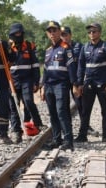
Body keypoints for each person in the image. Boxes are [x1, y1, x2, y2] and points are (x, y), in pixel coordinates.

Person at [74, 23, 106, 143]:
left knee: (105, 111)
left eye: (94, 31)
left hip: (102, 84)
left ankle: (105, 136)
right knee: (85, 110)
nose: (91, 34)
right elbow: (80, 67)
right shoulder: (85, 47)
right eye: (89, 32)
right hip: (89, 83)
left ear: (100, 33)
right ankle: (82, 135)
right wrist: (79, 83)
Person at [40, 21, 77, 151]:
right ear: (47, 34)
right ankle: (56, 139)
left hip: (61, 84)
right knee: (53, 113)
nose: (52, 33)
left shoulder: (66, 48)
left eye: (54, 30)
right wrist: (43, 87)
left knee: (62, 112)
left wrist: (75, 85)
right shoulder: (48, 51)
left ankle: (68, 141)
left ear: (59, 32)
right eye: (49, 31)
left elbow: (72, 68)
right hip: (49, 85)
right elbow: (45, 70)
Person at [8, 22, 45, 143]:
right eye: (15, 34)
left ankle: (37, 123)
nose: (17, 36)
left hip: (27, 80)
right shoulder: (8, 48)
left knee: (28, 101)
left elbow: (35, 65)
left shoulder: (29, 46)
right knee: (14, 106)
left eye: (19, 33)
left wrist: (36, 82)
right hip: (12, 82)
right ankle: (16, 131)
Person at [60, 26, 98, 136]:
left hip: (76, 80)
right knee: (63, 104)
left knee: (80, 104)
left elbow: (83, 63)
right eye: (62, 35)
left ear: (70, 35)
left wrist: (81, 80)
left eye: (66, 35)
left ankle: (86, 126)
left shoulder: (79, 46)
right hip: (63, 79)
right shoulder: (59, 47)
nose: (64, 37)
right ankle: (67, 128)